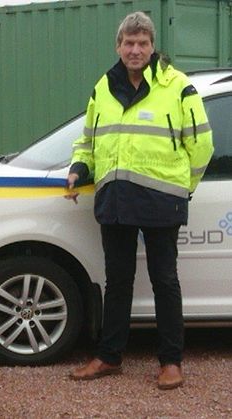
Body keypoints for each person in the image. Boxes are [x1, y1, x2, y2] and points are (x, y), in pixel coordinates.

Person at [66, 11, 214, 390]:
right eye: (129, 43)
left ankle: (171, 362)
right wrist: (79, 168)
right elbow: (88, 139)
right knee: (117, 281)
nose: (135, 50)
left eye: (142, 43)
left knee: (165, 280)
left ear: (152, 47)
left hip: (161, 201)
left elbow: (202, 146)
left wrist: (184, 188)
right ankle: (109, 356)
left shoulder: (178, 86)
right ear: (118, 46)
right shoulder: (104, 87)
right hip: (115, 199)